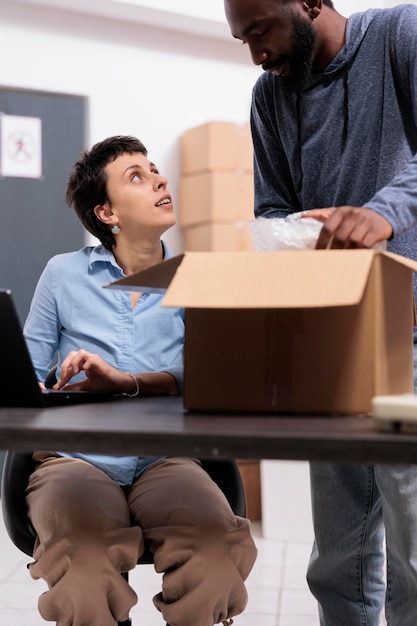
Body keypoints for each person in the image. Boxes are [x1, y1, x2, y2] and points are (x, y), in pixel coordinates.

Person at [224, 0, 417, 625]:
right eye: (243, 39)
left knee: (413, 544)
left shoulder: (399, 33)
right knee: (338, 555)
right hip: (331, 343)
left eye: (261, 31)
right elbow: (275, 208)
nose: (256, 53)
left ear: (309, 4)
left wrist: (383, 211)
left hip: (405, 333)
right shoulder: (269, 95)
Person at [23, 135, 257, 626]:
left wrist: (128, 381)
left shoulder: (195, 278)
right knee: (83, 562)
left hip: (168, 459)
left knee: (216, 554)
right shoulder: (63, 274)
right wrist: (52, 380)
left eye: (155, 169)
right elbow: (23, 377)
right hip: (76, 459)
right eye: (137, 175)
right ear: (107, 213)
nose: (160, 178)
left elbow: (213, 377)